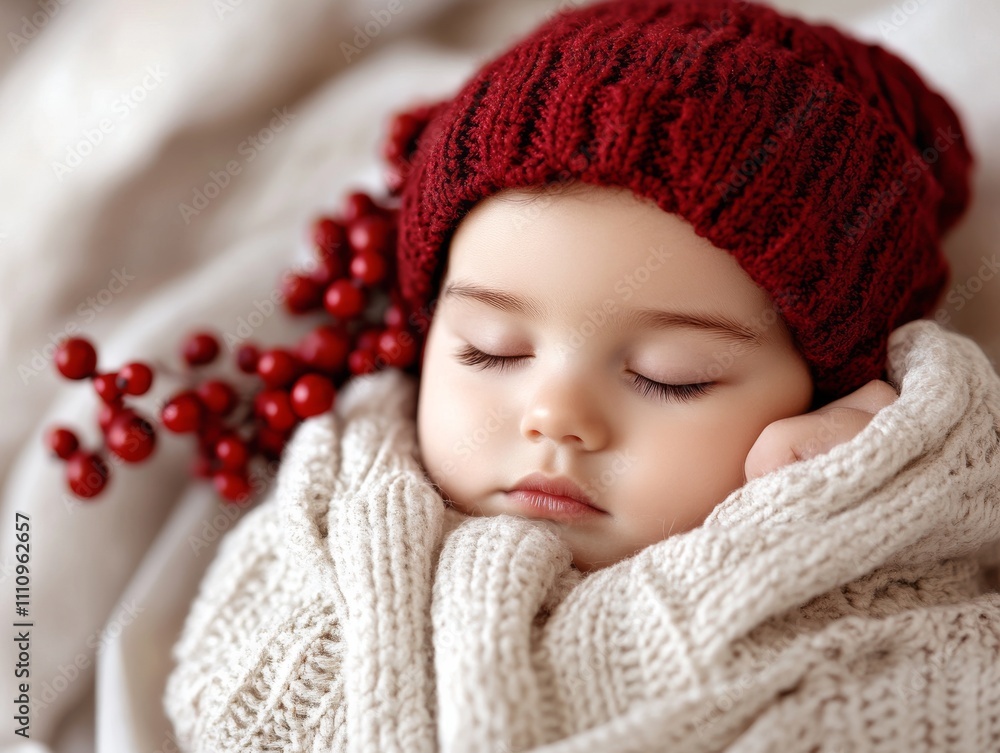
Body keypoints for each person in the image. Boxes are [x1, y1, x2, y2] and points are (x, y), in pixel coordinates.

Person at [163, 0, 1000, 750]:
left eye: (671, 376)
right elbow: (226, 686)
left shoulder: (857, 564)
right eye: (492, 349)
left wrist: (843, 506)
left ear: (823, 390)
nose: (555, 416)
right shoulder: (346, 503)